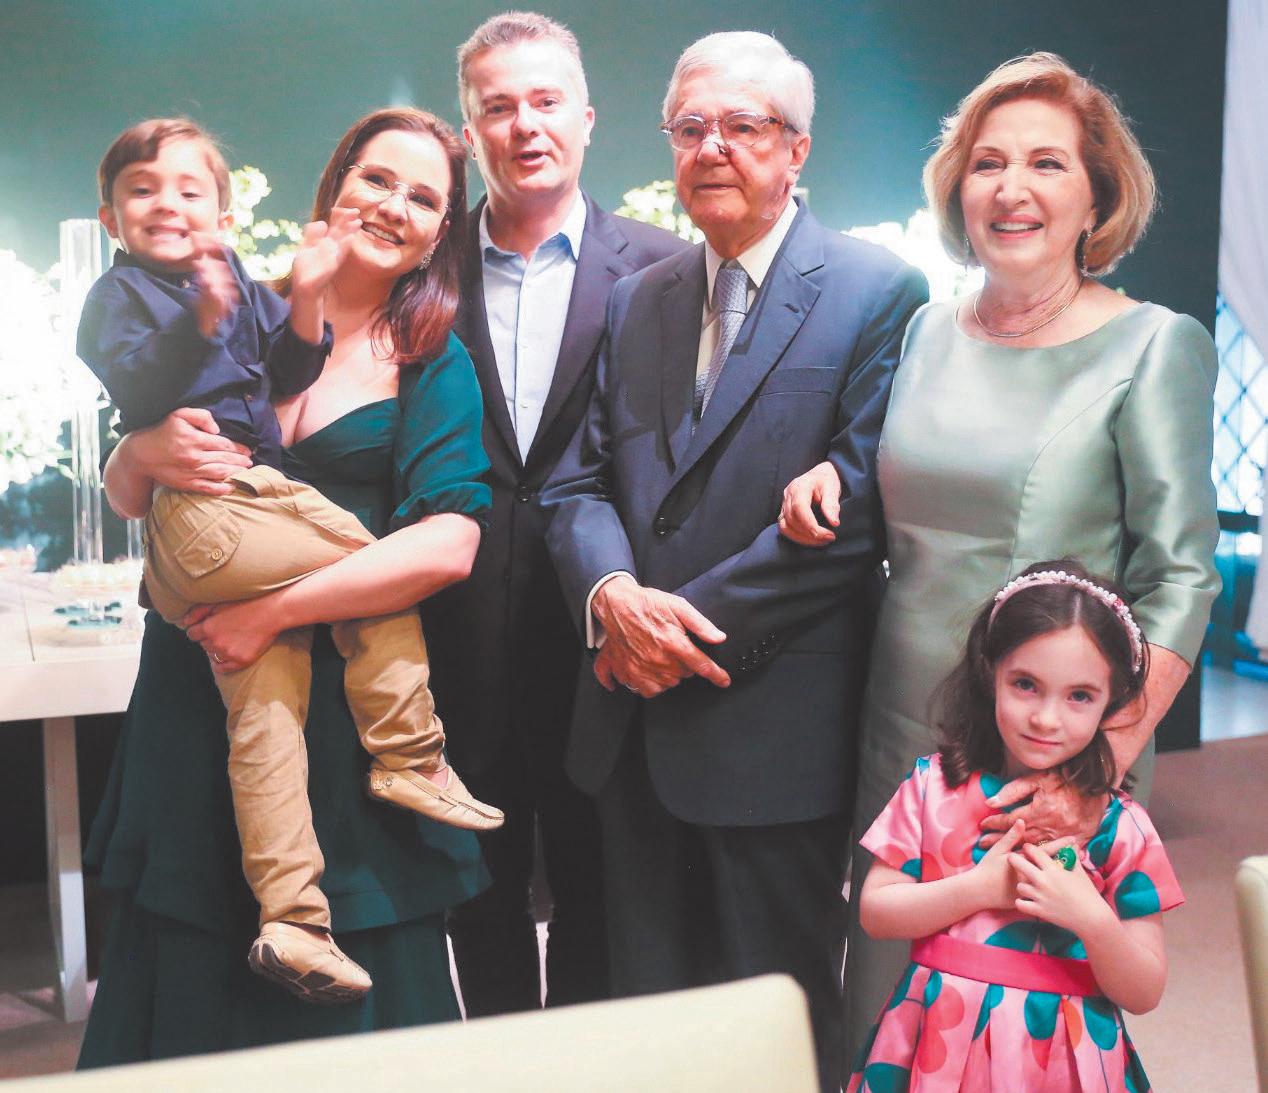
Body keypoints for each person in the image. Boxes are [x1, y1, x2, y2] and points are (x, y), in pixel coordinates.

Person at [778, 52, 1220, 1063]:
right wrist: (830, 480)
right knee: (885, 1008)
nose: (1011, 188)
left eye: (1046, 164)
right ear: (957, 188)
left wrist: (1098, 763)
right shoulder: (926, 330)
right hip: (902, 729)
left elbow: (1181, 577)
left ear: (1096, 196)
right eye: (988, 163)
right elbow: (900, 496)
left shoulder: (1154, 345)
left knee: (1018, 1023)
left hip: (1049, 748)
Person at [541, 31, 927, 1090]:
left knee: (774, 1027)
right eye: (689, 127)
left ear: (796, 148)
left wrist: (667, 634)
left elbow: (853, 518)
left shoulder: (877, 291)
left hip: (769, 733)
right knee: (653, 1030)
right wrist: (615, 598)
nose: (711, 147)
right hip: (630, 727)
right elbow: (578, 482)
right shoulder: (640, 298)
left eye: (743, 126)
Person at [79, 107, 490, 1063]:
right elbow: (131, 489)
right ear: (337, 181)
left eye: (421, 197)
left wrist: (271, 613)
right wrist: (136, 453)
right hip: (192, 688)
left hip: (338, 715)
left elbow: (447, 545)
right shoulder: (234, 304)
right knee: (190, 955)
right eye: (375, 178)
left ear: (440, 230)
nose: (391, 206)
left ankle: (406, 761)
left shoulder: (432, 358)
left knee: (346, 996)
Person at [432, 11, 686, 1016]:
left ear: (587, 118)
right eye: (499, 107)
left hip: (604, 637)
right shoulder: (424, 267)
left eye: (545, 101)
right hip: (453, 635)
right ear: (469, 132)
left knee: (599, 897)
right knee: (476, 896)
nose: (525, 125)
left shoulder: (666, 269)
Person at [846, 562, 1179, 1092]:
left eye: (1080, 696)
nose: (1046, 718)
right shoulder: (932, 788)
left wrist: (1091, 917)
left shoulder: (1122, 827)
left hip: (1063, 1062)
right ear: (991, 673)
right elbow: (876, 912)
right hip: (938, 1046)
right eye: (1026, 685)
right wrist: (979, 888)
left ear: (1111, 701)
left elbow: (1145, 991)